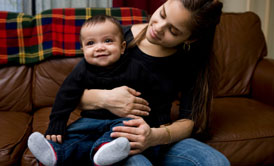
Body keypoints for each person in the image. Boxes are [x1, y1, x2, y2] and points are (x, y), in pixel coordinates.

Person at [78, 0, 231, 165]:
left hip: (157, 137)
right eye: (162, 14)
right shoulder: (118, 39)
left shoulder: (189, 60)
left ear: (190, 38)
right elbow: (72, 94)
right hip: (112, 139)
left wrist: (154, 137)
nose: (158, 27)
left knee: (217, 162)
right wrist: (107, 98)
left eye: (173, 31)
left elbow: (188, 121)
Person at [27, 14, 183, 166]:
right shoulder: (82, 69)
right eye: (90, 43)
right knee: (73, 134)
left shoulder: (136, 68)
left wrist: (162, 122)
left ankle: (104, 150)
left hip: (122, 121)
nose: (99, 47)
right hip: (90, 121)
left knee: (129, 131)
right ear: (83, 49)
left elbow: (157, 95)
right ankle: (54, 153)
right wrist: (57, 123)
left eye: (108, 41)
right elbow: (66, 95)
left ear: (122, 47)